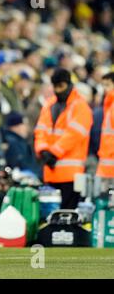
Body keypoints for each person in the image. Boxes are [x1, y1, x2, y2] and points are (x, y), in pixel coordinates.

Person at [34, 68, 93, 209]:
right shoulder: (49, 105)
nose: (58, 90)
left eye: (61, 86)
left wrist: (53, 152)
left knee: (67, 215)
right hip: (51, 169)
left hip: (71, 174)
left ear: (69, 84)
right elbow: (40, 130)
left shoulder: (80, 106)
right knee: (49, 216)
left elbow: (74, 134)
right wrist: (42, 150)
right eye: (55, 86)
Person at [3, 111, 41, 177]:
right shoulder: (13, 142)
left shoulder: (21, 141)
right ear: (15, 127)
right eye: (24, 125)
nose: (26, 128)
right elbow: (17, 164)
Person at [96, 72, 114, 180]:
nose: (105, 89)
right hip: (106, 163)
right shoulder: (109, 105)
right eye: (103, 85)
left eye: (107, 85)